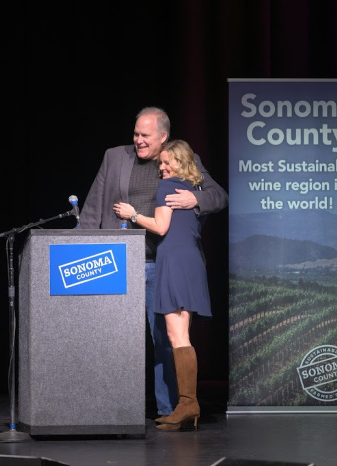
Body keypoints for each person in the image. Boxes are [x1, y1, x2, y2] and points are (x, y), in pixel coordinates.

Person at [78, 107, 228, 419]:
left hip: (161, 263)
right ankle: (112, 409)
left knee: (164, 340)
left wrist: (195, 199)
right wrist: (78, 245)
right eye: (135, 134)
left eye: (145, 136)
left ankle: (168, 407)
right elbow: (94, 206)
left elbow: (219, 196)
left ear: (163, 137)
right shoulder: (114, 157)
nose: (138, 141)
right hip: (117, 262)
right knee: (109, 338)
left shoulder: (182, 161)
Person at [114, 139, 211, 431]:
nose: (164, 167)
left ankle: (187, 404)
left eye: (170, 162)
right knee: (179, 335)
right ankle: (187, 404)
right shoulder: (193, 190)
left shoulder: (169, 187)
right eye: (161, 164)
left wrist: (132, 214)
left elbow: (161, 227)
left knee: (176, 336)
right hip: (189, 260)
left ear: (183, 162)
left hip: (174, 261)